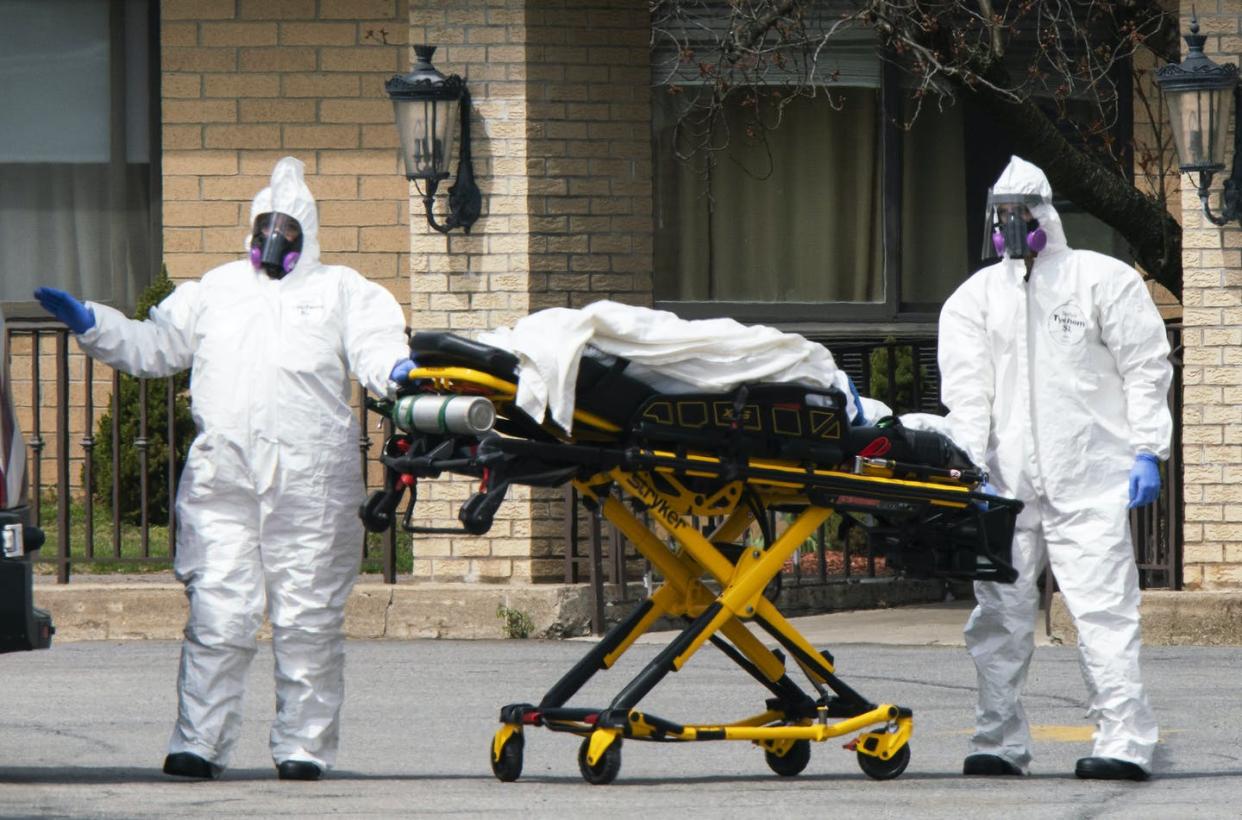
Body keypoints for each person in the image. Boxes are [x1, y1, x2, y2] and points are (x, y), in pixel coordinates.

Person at [34, 157, 414, 782]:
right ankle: (199, 743)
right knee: (219, 613)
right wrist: (94, 322)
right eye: (268, 225)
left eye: (288, 228)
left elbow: (377, 344)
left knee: (308, 618)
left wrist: (394, 370)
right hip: (224, 478)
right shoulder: (214, 291)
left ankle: (303, 747)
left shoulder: (342, 290)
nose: (275, 239)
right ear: (251, 226)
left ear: (306, 233)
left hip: (311, 480)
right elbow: (155, 348)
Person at [939, 156, 1172, 782]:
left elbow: (1146, 368)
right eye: (1003, 215)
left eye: (1023, 213)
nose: (1012, 226)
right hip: (1005, 485)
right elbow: (968, 394)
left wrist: (1147, 448)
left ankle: (1123, 741)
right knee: (998, 617)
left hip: (1090, 477)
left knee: (1102, 614)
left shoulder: (1102, 281)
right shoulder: (975, 300)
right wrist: (970, 467)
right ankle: (998, 740)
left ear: (1045, 214)